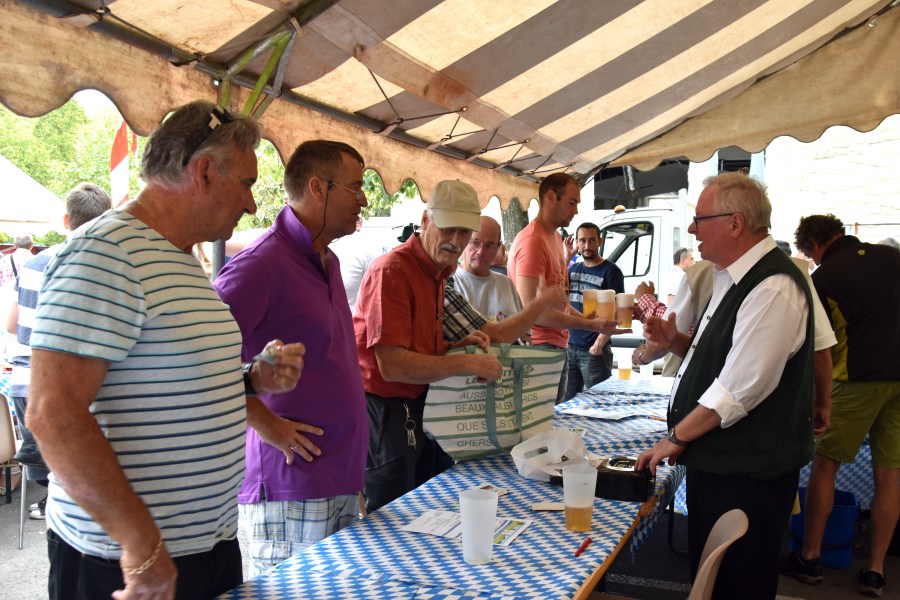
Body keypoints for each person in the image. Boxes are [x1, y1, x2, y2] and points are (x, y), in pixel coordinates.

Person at [26, 100, 308, 600]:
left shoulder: (180, 260)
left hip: (201, 551)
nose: (251, 204)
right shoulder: (105, 253)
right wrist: (140, 543)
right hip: (124, 564)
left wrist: (252, 377)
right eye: (246, 183)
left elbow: (164, 379)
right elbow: (53, 414)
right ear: (204, 171)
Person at [636, 172, 816, 600]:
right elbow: (722, 360)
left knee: (738, 585)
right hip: (724, 465)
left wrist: (676, 437)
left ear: (736, 223)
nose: (692, 229)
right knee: (714, 581)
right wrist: (675, 342)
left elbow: (738, 390)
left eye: (700, 219)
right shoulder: (731, 276)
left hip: (747, 474)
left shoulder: (772, 286)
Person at [214, 140, 369, 577]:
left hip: (338, 476)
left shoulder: (329, 260)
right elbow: (201, 366)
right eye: (355, 188)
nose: (362, 201)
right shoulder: (259, 264)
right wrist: (269, 426)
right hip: (292, 485)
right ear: (318, 188)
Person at [354, 179, 504, 512]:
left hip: (416, 406)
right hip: (384, 410)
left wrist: (455, 346)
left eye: (464, 232)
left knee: (427, 509)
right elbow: (393, 365)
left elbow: (415, 347)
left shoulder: (438, 270)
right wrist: (467, 363)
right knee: (394, 517)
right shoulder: (392, 270)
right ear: (425, 219)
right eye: (448, 228)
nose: (456, 241)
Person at [783, 214, 900, 597]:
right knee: (890, 476)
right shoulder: (892, 256)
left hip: (855, 381)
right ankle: (875, 570)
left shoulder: (825, 278)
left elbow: (821, 345)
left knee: (825, 467)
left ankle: (810, 557)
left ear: (814, 246)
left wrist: (818, 399)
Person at [4, 183, 112, 520]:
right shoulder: (99, 264)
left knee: (58, 477)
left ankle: (54, 506)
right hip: (65, 390)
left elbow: (12, 324)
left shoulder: (35, 263)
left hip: (23, 385)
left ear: (66, 220)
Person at [508, 172, 627, 402]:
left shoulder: (553, 238)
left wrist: (594, 322)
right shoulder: (532, 241)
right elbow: (532, 312)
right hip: (538, 348)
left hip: (555, 347)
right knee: (542, 419)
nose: (576, 211)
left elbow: (560, 303)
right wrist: (588, 324)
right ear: (551, 197)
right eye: (572, 202)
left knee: (555, 415)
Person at [564, 222, 624, 399]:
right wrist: (567, 257)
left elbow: (617, 311)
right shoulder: (573, 269)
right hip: (570, 348)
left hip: (594, 350)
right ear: (576, 242)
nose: (587, 245)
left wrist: (598, 346)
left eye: (592, 240)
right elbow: (556, 288)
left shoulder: (611, 271)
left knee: (599, 403)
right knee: (565, 403)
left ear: (600, 241)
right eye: (582, 240)